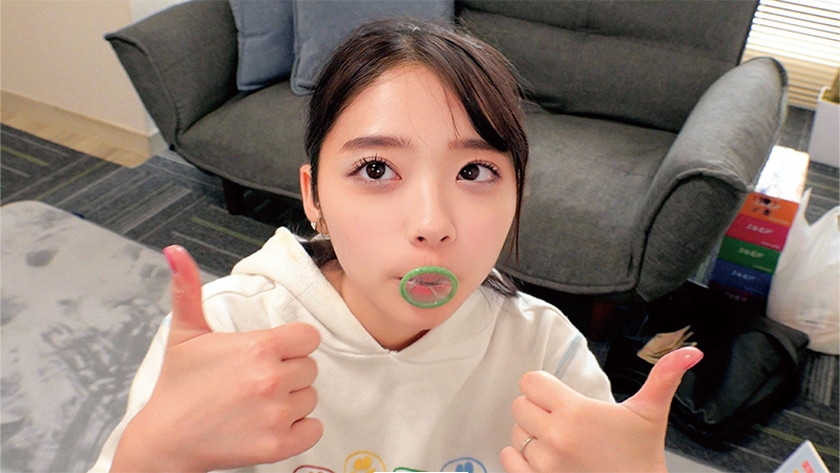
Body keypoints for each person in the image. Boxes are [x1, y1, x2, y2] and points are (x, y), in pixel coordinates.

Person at [90, 18, 702, 473]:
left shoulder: (545, 351)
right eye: (377, 170)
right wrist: (156, 454)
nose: (432, 223)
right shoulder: (227, 332)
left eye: (474, 172)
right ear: (313, 196)